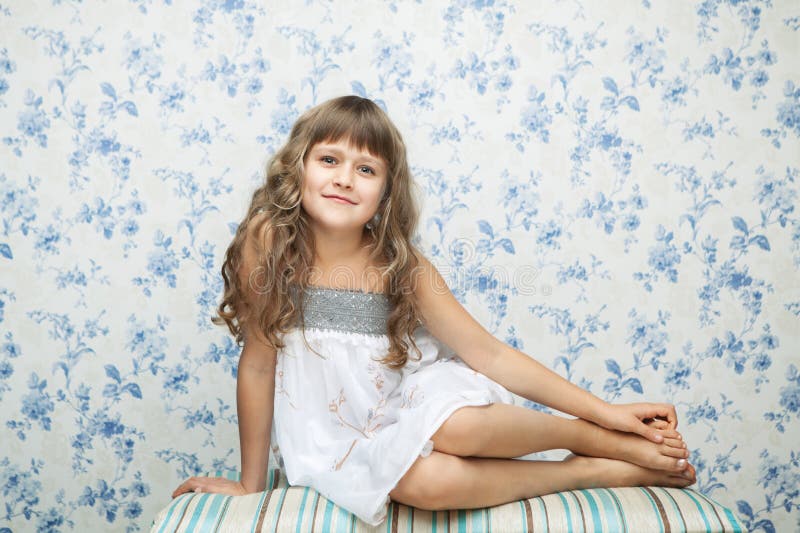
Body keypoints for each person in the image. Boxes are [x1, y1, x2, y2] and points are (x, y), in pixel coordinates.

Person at [172, 95, 696, 526]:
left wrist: (604, 411)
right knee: (424, 484)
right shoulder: (268, 247)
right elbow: (260, 363)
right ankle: (586, 470)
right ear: (299, 168)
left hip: (411, 402)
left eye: (366, 168)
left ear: (386, 191)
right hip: (335, 437)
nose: (345, 179)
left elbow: (489, 354)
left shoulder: (401, 265)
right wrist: (250, 482)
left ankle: (596, 437)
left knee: (456, 428)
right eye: (329, 159)